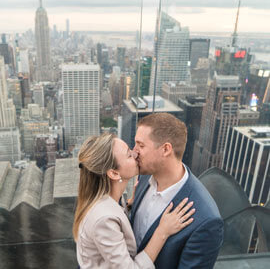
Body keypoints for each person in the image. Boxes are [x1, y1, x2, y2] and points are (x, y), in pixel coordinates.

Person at [73, 133, 195, 269]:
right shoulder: (103, 219)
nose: (136, 154)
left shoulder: (107, 199)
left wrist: (130, 205)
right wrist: (163, 231)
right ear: (114, 173)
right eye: (129, 155)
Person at [131, 113, 224, 269]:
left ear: (166, 149)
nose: (134, 152)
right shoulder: (145, 176)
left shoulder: (206, 220)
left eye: (141, 145)